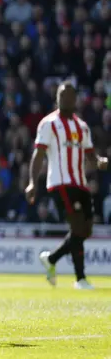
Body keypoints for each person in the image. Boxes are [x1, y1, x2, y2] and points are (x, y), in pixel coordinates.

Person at [26, 82, 108, 290]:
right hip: (59, 183)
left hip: (80, 183)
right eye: (63, 95)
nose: (67, 99)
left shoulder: (82, 126)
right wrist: (32, 182)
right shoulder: (48, 123)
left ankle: (51, 259)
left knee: (86, 230)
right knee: (78, 227)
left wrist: (99, 161)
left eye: (71, 95)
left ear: (76, 99)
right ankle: (80, 279)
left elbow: (90, 155)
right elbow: (39, 154)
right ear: (57, 98)